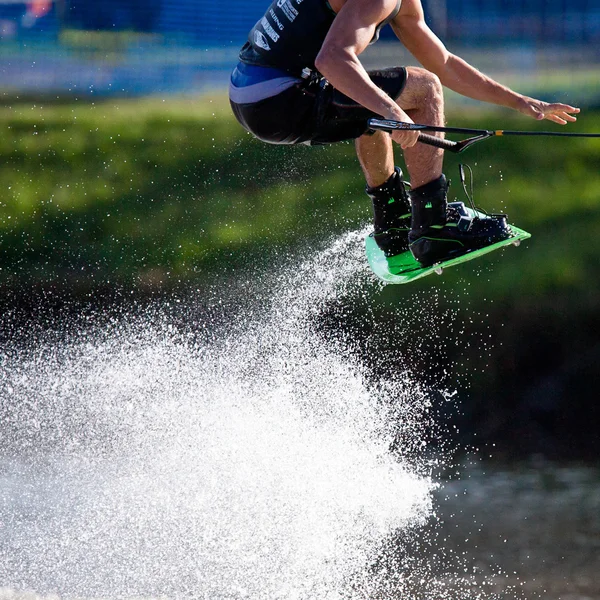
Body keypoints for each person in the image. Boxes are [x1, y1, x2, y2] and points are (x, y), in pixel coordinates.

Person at [229, 0, 580, 266]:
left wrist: (521, 103)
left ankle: (393, 223)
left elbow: (443, 61)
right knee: (421, 88)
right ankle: (433, 227)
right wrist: (393, 112)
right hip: (276, 97)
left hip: (250, 97)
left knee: (370, 93)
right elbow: (333, 59)